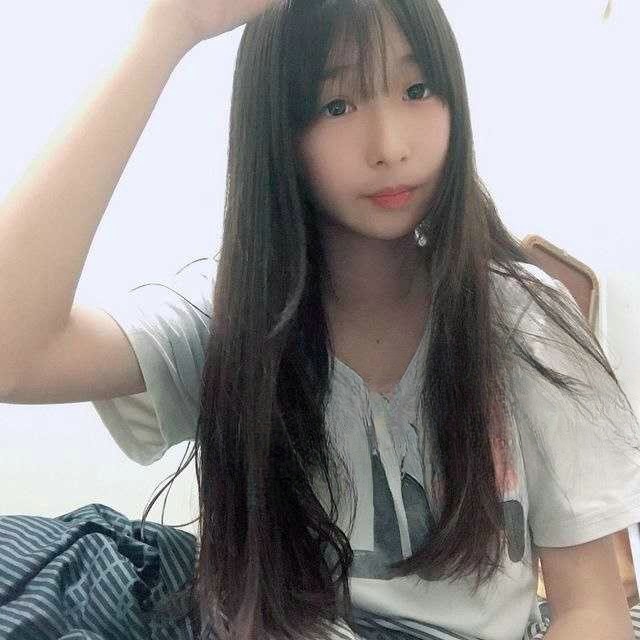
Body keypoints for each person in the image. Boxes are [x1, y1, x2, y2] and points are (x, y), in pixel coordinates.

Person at [0, 0, 639, 639]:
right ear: (277, 129)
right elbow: (14, 353)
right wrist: (169, 30)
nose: (390, 147)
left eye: (417, 90)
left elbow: (593, 610)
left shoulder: (523, 321)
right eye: (337, 105)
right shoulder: (233, 317)